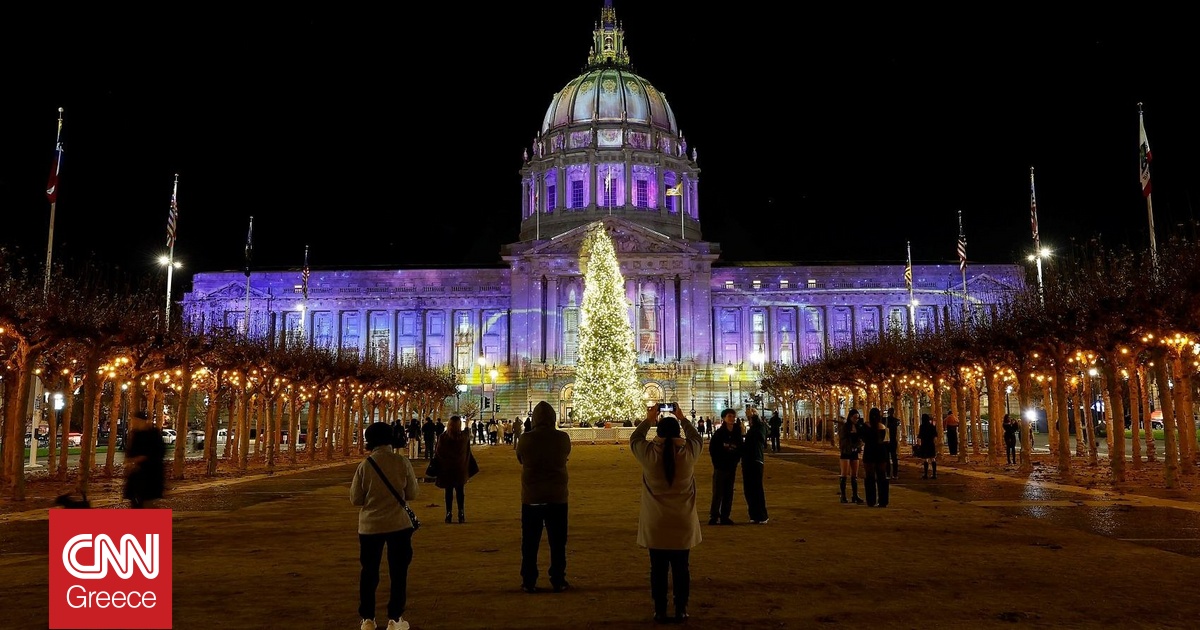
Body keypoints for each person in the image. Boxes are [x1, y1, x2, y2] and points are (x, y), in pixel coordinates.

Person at [630, 404, 703, 624]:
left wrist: (648, 419)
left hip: (656, 523)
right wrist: (682, 417)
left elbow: (635, 439)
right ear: (679, 432)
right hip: (682, 523)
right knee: (682, 570)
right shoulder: (689, 453)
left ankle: (659, 610)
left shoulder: (649, 454)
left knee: (658, 571)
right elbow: (696, 438)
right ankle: (681, 609)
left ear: (658, 432)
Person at [351, 422, 420, 630]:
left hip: (370, 526)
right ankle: (395, 618)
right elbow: (412, 494)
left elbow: (355, 498)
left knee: (369, 572)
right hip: (398, 524)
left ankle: (368, 619)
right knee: (399, 573)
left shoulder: (365, 465)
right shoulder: (402, 462)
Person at [516, 401, 572, 593]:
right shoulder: (563, 438)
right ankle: (558, 579)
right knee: (558, 543)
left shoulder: (525, 439)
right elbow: (565, 456)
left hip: (532, 498)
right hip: (557, 498)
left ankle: (529, 580)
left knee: (530, 543)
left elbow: (520, 458)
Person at [123, 410, 166, 509]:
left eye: (136, 421)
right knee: (135, 501)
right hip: (137, 475)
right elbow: (130, 452)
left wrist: (142, 458)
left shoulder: (154, 434)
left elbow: (159, 452)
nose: (134, 423)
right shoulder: (136, 434)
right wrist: (129, 461)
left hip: (151, 475)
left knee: (147, 501)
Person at [707, 408, 743, 525]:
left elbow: (739, 449)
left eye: (733, 416)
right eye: (729, 416)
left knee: (728, 493)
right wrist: (717, 463)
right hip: (720, 467)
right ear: (724, 418)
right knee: (718, 493)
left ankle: (725, 516)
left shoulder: (737, 433)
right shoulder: (719, 434)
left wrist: (736, 460)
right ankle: (714, 515)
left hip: (731, 467)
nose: (732, 418)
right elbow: (713, 449)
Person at [434, 415, 471, 523]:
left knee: (448, 492)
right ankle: (461, 512)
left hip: (447, 469)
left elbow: (438, 453)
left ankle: (448, 513)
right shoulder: (463, 437)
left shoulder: (443, 437)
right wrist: (467, 424)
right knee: (460, 492)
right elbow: (467, 433)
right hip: (460, 469)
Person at [742, 408, 770, 523]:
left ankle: (762, 515)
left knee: (756, 488)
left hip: (756, 460)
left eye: (751, 415)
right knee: (749, 489)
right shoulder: (752, 429)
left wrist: (754, 416)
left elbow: (760, 437)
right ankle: (754, 515)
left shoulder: (760, 427)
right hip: (748, 461)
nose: (749, 417)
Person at [862, 408, 890, 507]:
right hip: (881, 451)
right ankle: (883, 501)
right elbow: (886, 441)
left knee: (870, 477)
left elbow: (863, 438)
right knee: (882, 477)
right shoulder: (882, 427)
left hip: (869, 451)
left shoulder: (866, 426)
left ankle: (871, 500)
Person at [838, 409, 865, 504]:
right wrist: (850, 446)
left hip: (854, 452)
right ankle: (843, 495)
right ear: (850, 417)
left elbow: (861, 439)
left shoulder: (859, 427)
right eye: (854, 418)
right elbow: (842, 440)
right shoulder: (845, 427)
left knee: (854, 475)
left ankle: (855, 495)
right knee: (844, 474)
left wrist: (857, 446)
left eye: (857, 418)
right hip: (846, 452)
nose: (856, 419)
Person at [917, 413, 938, 479]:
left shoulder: (922, 426)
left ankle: (925, 474)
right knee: (933, 458)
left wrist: (919, 443)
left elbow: (920, 436)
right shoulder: (932, 426)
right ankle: (934, 474)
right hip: (931, 443)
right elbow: (935, 435)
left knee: (926, 459)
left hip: (924, 443)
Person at [885, 407, 901, 479]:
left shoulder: (885, 420)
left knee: (887, 458)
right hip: (893, 441)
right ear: (894, 412)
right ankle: (895, 474)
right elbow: (898, 433)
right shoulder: (897, 421)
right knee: (894, 458)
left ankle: (888, 474)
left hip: (886, 441)